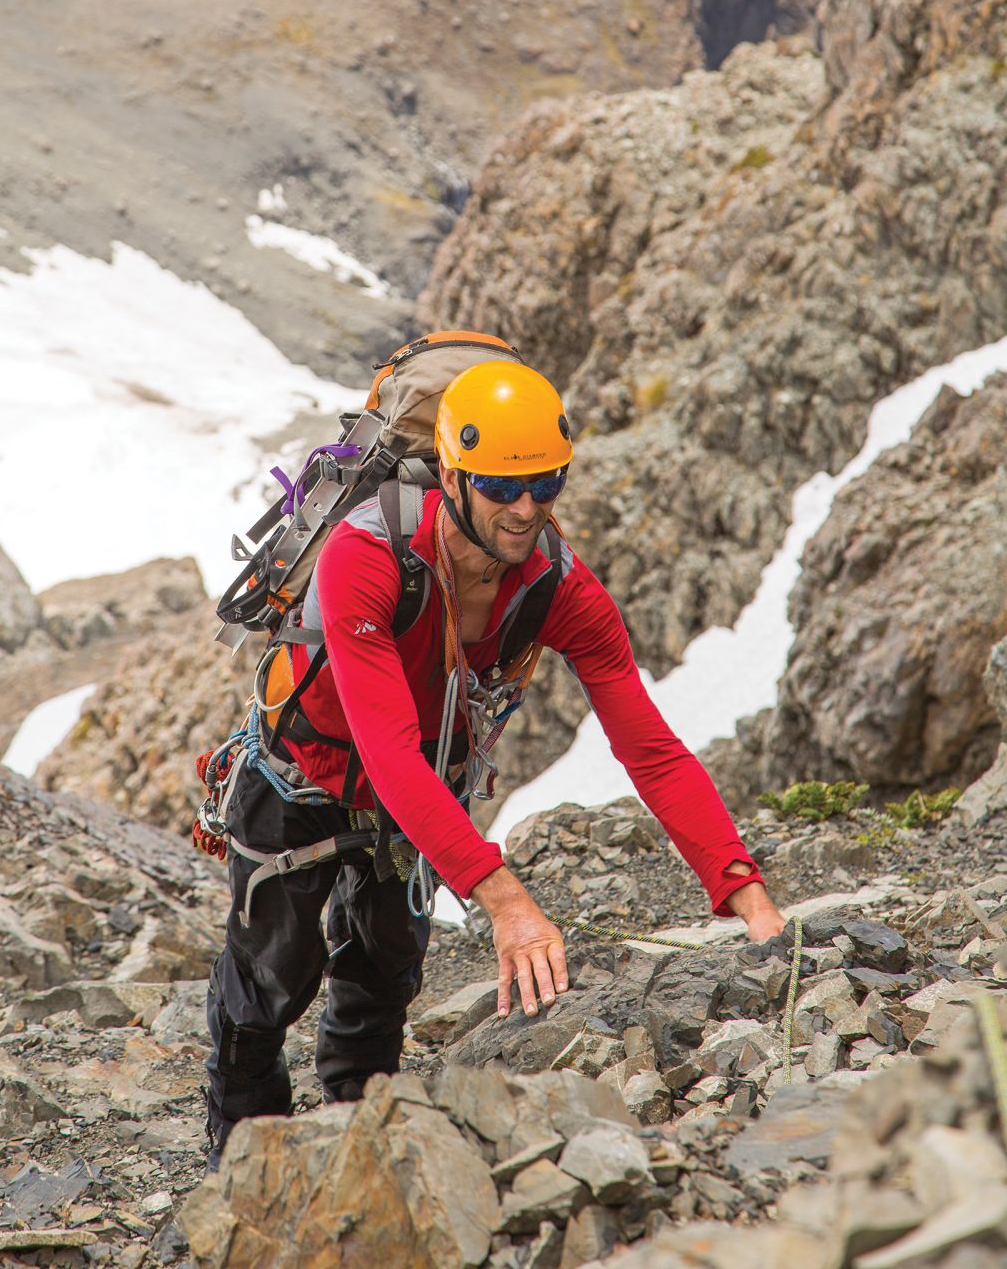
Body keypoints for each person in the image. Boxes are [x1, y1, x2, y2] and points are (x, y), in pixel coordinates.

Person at [204, 360, 784, 1164]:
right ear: (452, 474)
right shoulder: (364, 557)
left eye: (546, 485)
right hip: (302, 770)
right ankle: (243, 1156)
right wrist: (503, 897)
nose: (526, 510)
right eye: (501, 488)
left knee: (383, 978)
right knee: (272, 981)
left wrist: (745, 894)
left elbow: (650, 749)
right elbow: (386, 747)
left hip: (418, 790)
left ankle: (361, 1141)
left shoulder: (558, 588)